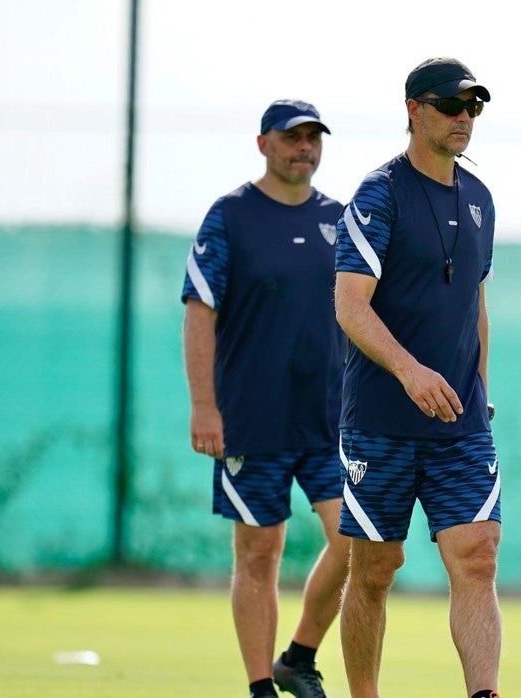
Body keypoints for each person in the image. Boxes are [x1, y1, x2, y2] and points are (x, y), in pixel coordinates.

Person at [333, 57, 502, 698]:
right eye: (453, 105)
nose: (466, 118)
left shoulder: (482, 199)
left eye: (474, 108)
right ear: (414, 109)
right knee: (376, 569)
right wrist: (409, 371)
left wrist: (480, 388)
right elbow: (350, 304)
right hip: (380, 420)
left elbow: (475, 304)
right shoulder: (378, 195)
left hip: (460, 424)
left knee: (477, 555)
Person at [182, 99, 350, 698]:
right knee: (259, 552)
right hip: (251, 420)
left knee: (355, 544)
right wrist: (205, 406)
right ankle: (260, 688)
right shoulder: (230, 216)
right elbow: (199, 310)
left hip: (331, 420)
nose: (304, 147)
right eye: (291, 138)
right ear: (263, 144)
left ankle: (298, 656)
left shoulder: (342, 218)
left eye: (313, 138)